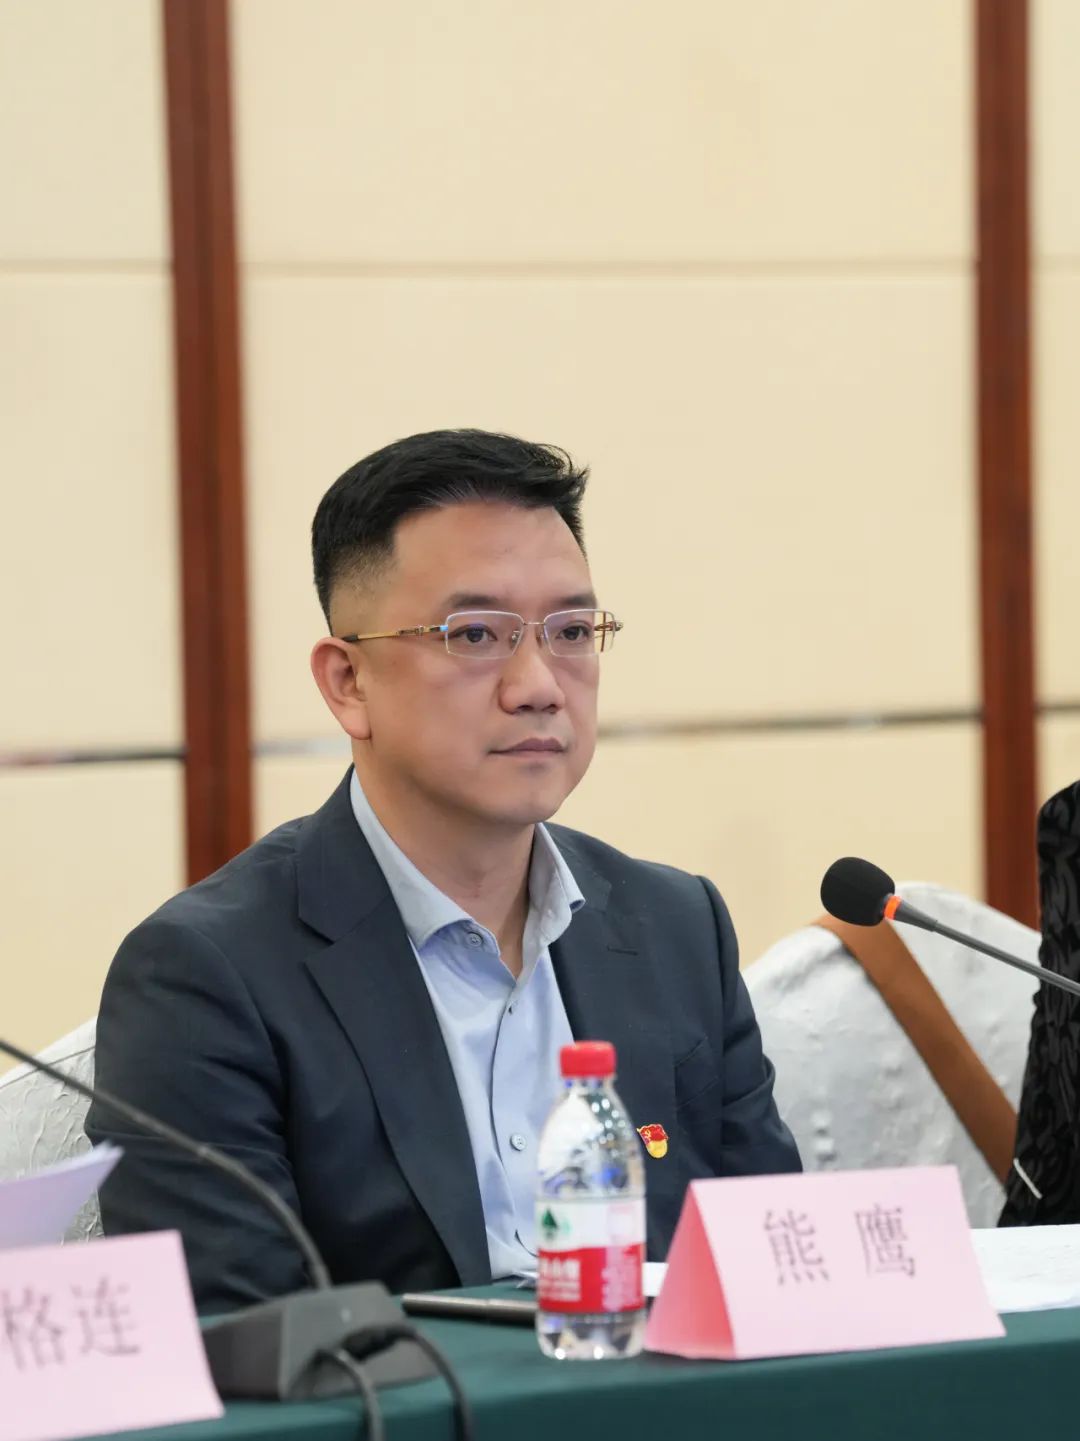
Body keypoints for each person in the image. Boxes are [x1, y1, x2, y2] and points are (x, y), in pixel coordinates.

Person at [87, 429, 800, 1313]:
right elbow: (246, 1340)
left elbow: (779, 1269)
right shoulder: (206, 975)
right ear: (348, 682)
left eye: (572, 630)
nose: (539, 683)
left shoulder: (676, 926)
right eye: (476, 634)